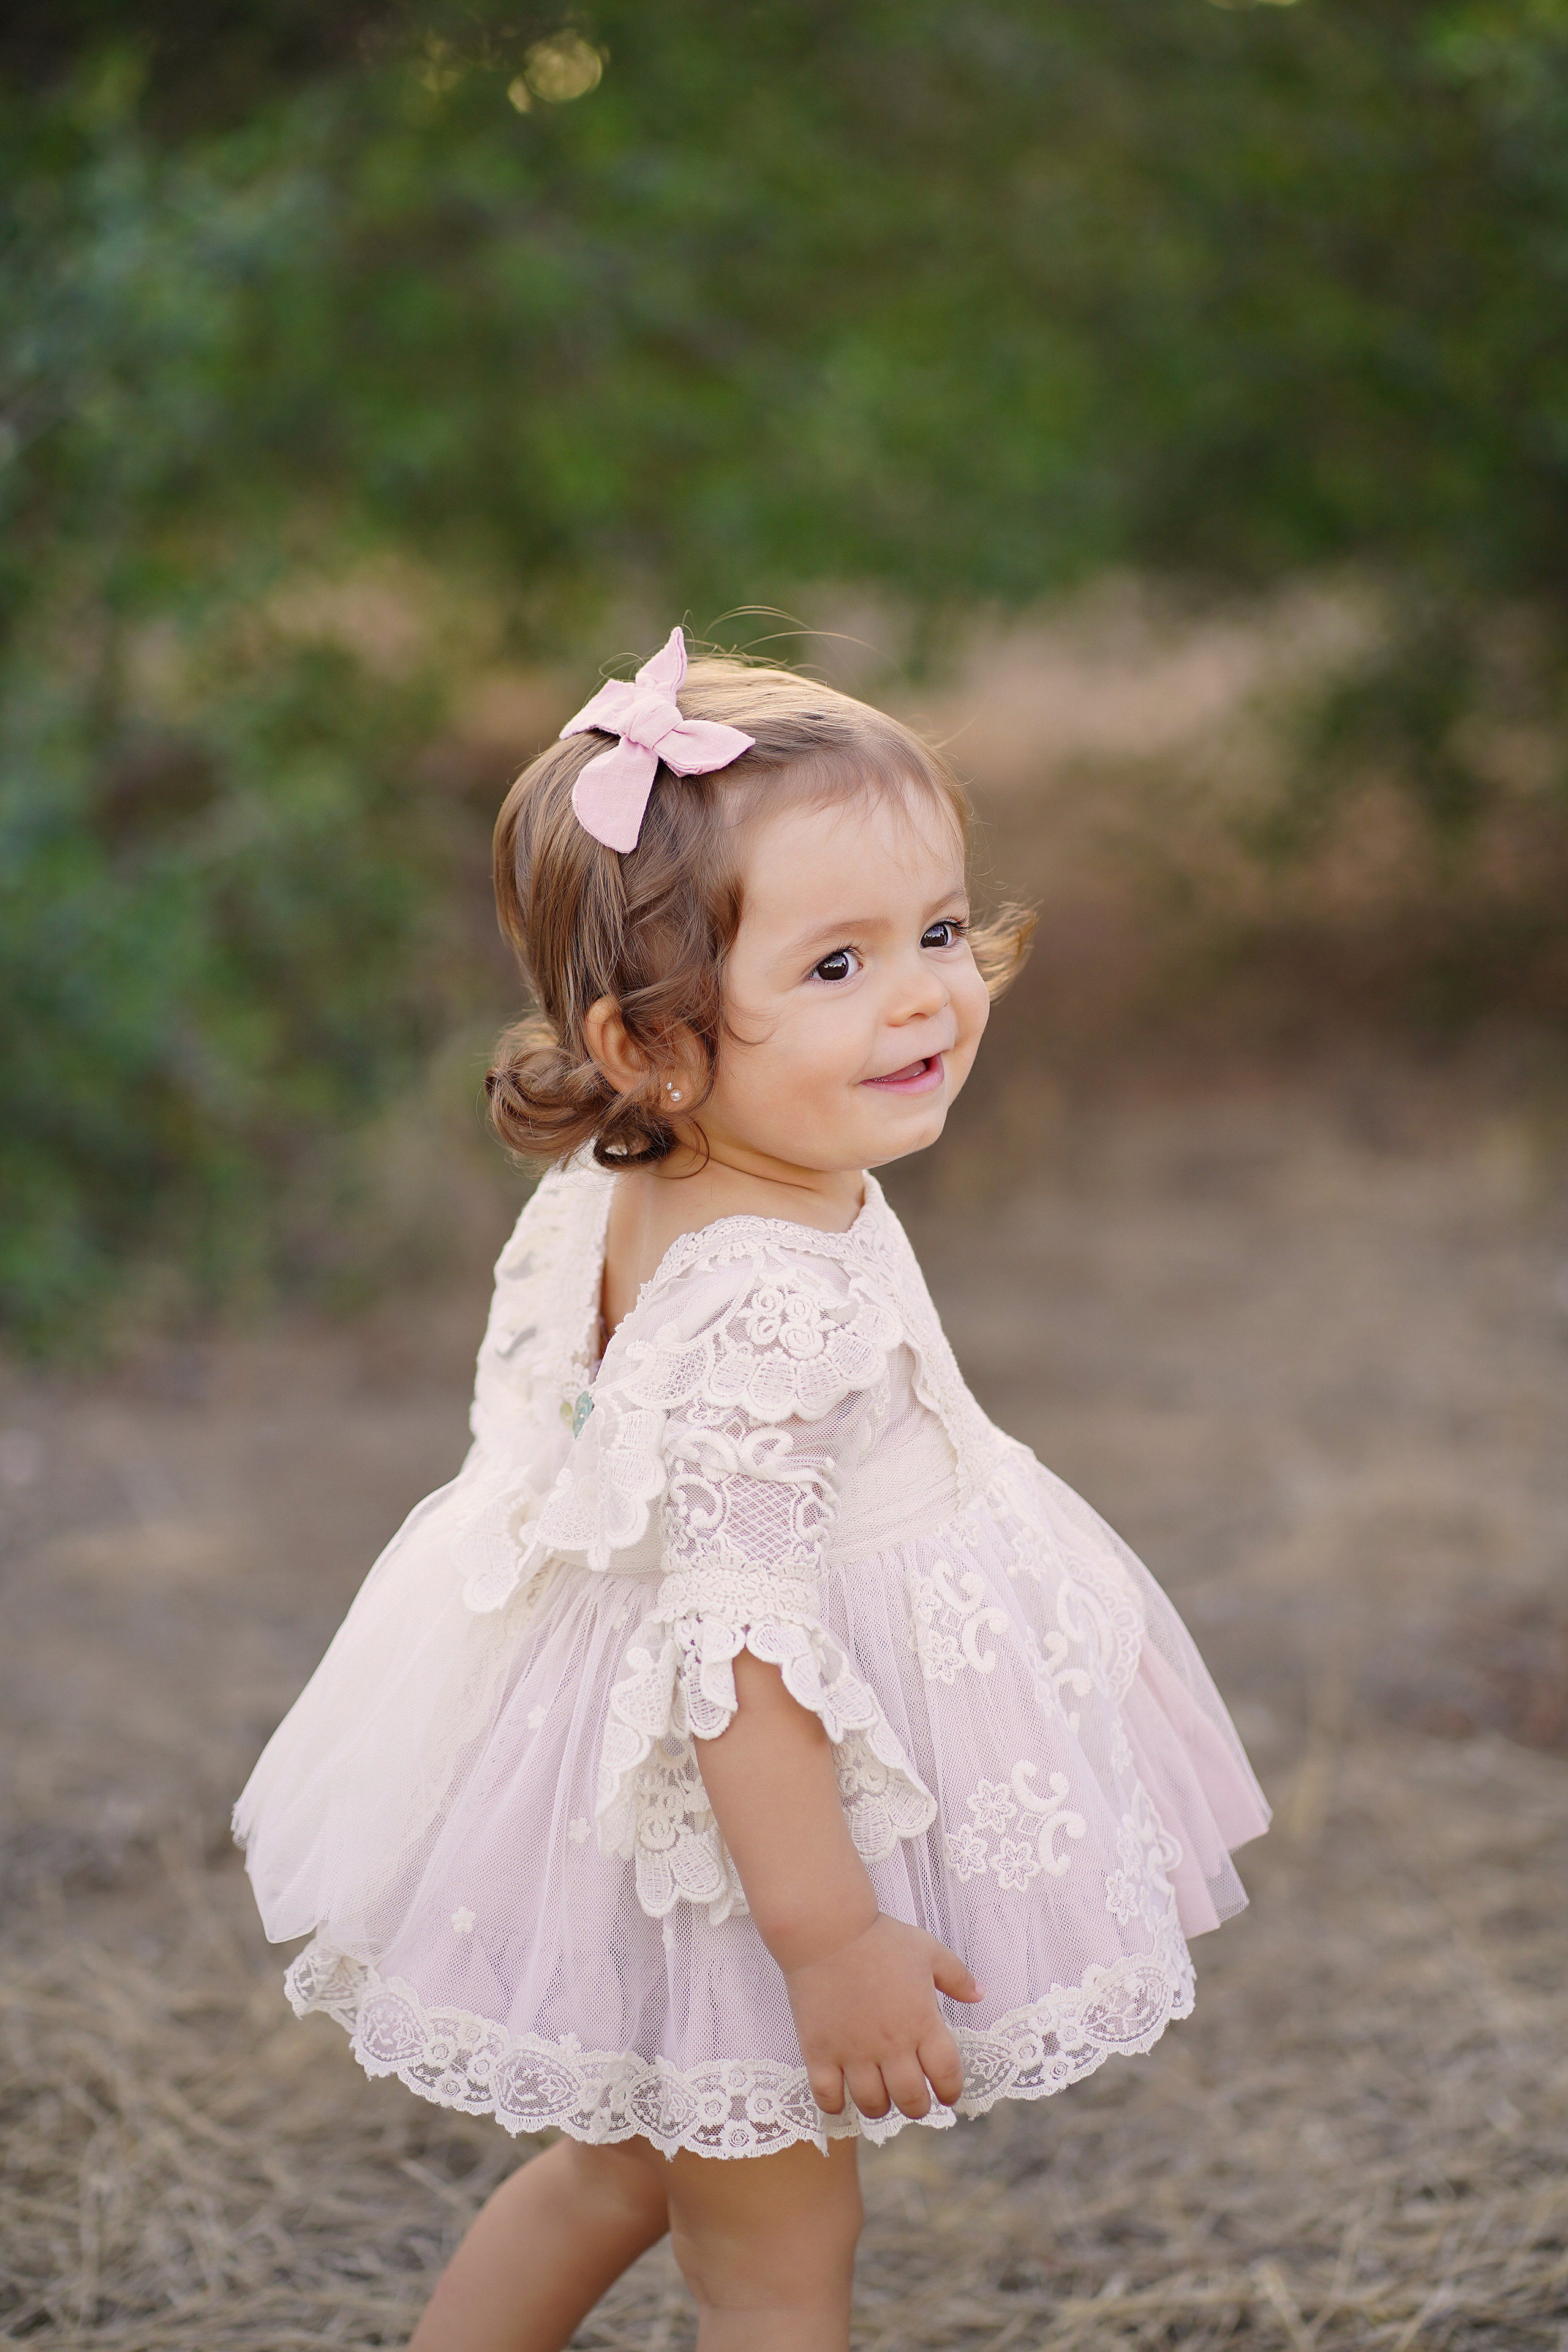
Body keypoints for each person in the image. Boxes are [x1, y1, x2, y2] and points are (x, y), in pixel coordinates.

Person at [235, 628, 1270, 2351]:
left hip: (659, 1781)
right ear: (649, 1040)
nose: (926, 996)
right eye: (842, 964)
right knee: (775, 2260)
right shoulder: (768, 1289)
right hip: (743, 1839)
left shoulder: (649, 1173)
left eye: (938, 933)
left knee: (616, 2175)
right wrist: (829, 1937)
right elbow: (738, 1639)